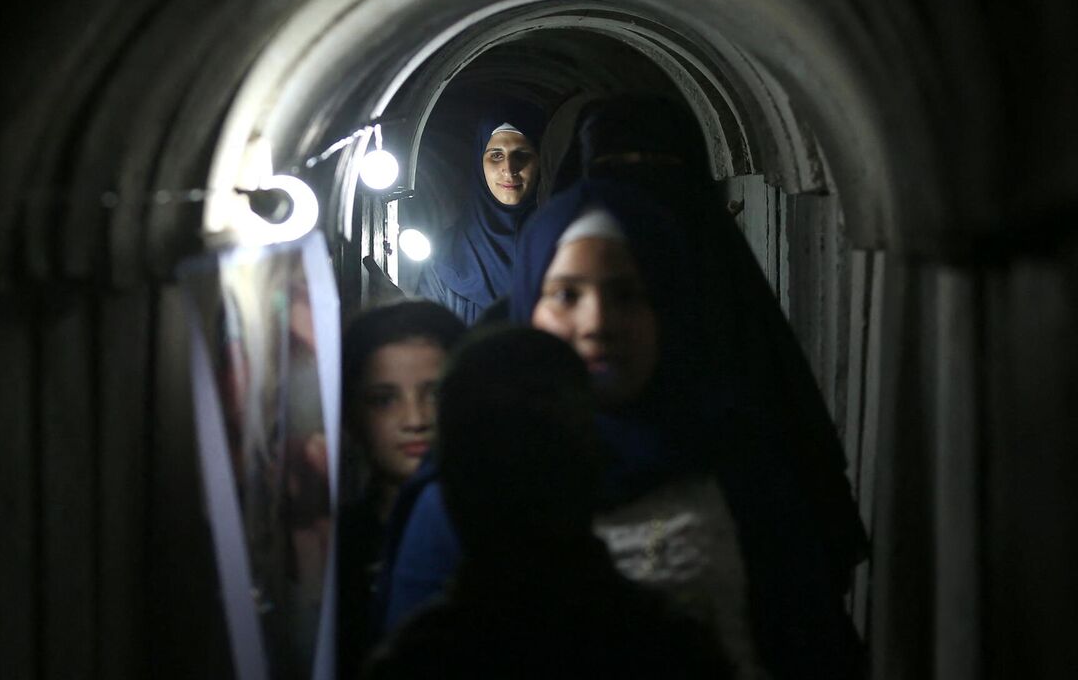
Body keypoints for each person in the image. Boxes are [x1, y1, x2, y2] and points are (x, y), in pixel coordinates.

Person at [380, 174, 868, 678]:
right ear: (527, 305)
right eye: (566, 294)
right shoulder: (466, 495)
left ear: (668, 309)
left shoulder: (746, 474)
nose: (597, 322)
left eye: (627, 295)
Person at [363, 326, 732, 680]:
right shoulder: (674, 651)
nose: (514, 482)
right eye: (489, 461)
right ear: (592, 465)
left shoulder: (418, 663)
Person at [335, 300, 466, 679]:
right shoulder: (332, 549)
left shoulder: (499, 541)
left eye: (436, 394)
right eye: (384, 400)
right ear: (350, 416)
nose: (415, 419)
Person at [413, 102, 547, 323]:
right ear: (479, 162)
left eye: (521, 154)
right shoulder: (447, 255)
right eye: (496, 155)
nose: (509, 168)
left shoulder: (564, 245)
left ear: (541, 160)